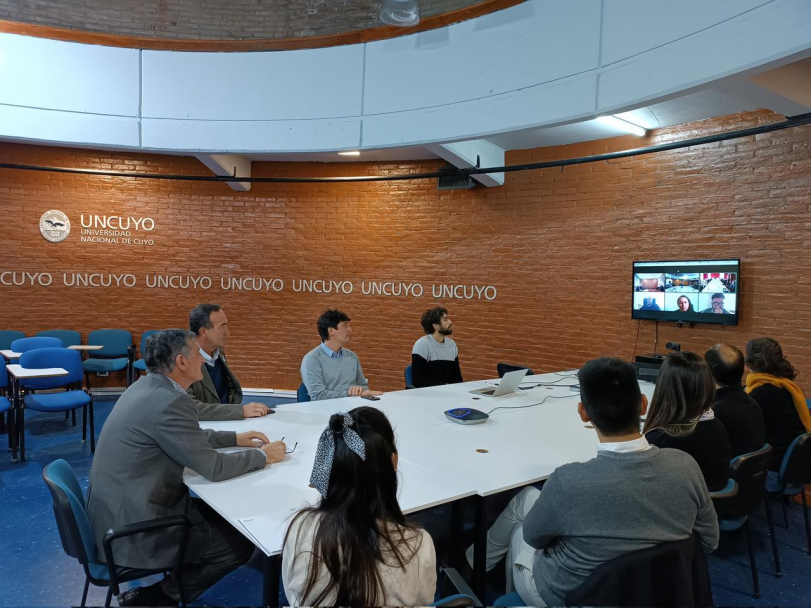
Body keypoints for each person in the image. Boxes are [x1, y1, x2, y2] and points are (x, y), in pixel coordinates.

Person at [466, 357, 719, 606]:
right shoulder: (685, 465)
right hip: (658, 591)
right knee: (528, 498)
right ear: (643, 405)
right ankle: (472, 562)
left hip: (572, 596)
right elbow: (709, 541)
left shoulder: (569, 481)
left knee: (522, 531)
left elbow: (534, 538)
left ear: (583, 413)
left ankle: (473, 570)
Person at [87, 330, 287, 606]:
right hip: (134, 529)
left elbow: (183, 436)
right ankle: (162, 595)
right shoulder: (171, 400)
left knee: (220, 517)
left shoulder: (149, 387)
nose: (204, 362)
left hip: (117, 511)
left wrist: (233, 438)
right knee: (236, 546)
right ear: (181, 362)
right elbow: (214, 468)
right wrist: (263, 457)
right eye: (198, 355)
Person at [282, 407, 436, 605]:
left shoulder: (300, 528)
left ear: (332, 462)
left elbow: (294, 595)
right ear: (394, 461)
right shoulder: (418, 545)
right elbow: (424, 601)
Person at [643, 352, 732, 491]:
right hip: (712, 505)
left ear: (663, 388)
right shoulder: (716, 424)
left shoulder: (663, 441)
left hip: (684, 508)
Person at [188, 303, 270, 420]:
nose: (228, 333)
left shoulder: (218, 350)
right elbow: (191, 408)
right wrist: (239, 411)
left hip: (228, 422)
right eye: (222, 327)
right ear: (203, 332)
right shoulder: (181, 360)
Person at [745, 337, 811, 475]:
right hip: (796, 468)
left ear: (749, 363)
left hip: (774, 470)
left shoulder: (761, 394)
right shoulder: (785, 385)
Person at [301, 309, 382, 401]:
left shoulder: (352, 356)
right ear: (331, 330)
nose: (350, 330)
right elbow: (318, 396)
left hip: (353, 408)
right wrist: (349, 393)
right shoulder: (312, 359)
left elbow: (364, 386)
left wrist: (360, 389)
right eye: (345, 325)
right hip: (326, 411)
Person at [704, 344, 765, 457]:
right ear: (743, 370)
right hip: (749, 472)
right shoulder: (753, 404)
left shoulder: (713, 413)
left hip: (727, 473)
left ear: (707, 372)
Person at [411, 306, 464, 388]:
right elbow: (418, 381)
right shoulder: (422, 345)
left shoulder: (452, 344)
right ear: (436, 326)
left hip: (449, 394)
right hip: (429, 395)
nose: (450, 322)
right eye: (445, 320)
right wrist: (445, 387)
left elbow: (457, 378)